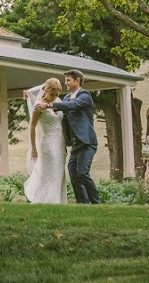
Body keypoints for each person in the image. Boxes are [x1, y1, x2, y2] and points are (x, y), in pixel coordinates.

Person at [39, 69, 100, 204]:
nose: (65, 83)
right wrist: (30, 98)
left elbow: (73, 105)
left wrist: (49, 105)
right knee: (73, 175)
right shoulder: (66, 98)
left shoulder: (85, 95)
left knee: (82, 173)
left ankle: (97, 203)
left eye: (68, 80)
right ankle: (83, 204)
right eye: (65, 80)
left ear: (77, 80)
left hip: (87, 142)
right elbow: (57, 112)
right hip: (75, 144)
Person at [22, 77, 67, 204]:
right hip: (48, 143)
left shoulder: (58, 102)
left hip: (60, 143)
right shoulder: (39, 106)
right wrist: (34, 149)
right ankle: (47, 200)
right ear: (46, 91)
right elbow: (32, 127)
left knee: (59, 173)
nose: (54, 97)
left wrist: (64, 145)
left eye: (56, 95)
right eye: (52, 94)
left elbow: (62, 125)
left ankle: (58, 201)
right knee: (50, 173)